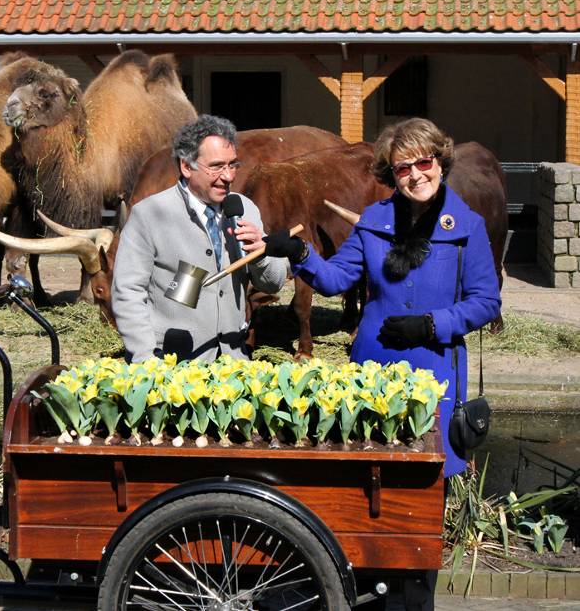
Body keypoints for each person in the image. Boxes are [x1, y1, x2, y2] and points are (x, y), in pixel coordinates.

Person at [263, 117, 501, 610]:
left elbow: (485, 301)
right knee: (370, 504)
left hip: (434, 378)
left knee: (419, 512)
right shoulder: (373, 220)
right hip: (371, 379)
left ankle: (416, 602)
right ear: (391, 174)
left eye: (424, 162)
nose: (416, 174)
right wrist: (300, 254)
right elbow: (334, 280)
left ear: (441, 161)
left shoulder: (468, 227)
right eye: (403, 167)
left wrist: (432, 324)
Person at [112, 115, 287, 362]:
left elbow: (274, 284)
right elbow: (128, 292)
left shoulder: (244, 208)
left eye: (233, 165)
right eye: (217, 166)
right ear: (186, 166)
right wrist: (145, 359)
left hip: (233, 363)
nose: (228, 176)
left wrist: (261, 254)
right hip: (170, 365)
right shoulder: (150, 214)